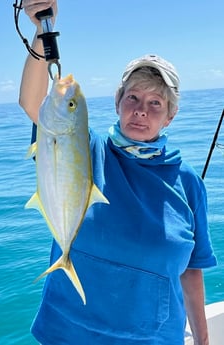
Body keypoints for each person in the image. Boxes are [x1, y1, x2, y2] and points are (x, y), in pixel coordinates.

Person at [19, 1, 217, 344]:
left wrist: (203, 340)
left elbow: (191, 269)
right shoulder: (85, 147)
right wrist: (42, 33)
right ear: (117, 101)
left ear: (170, 115)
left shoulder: (188, 183)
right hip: (69, 334)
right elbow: (33, 102)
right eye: (134, 97)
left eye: (156, 103)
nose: (142, 111)